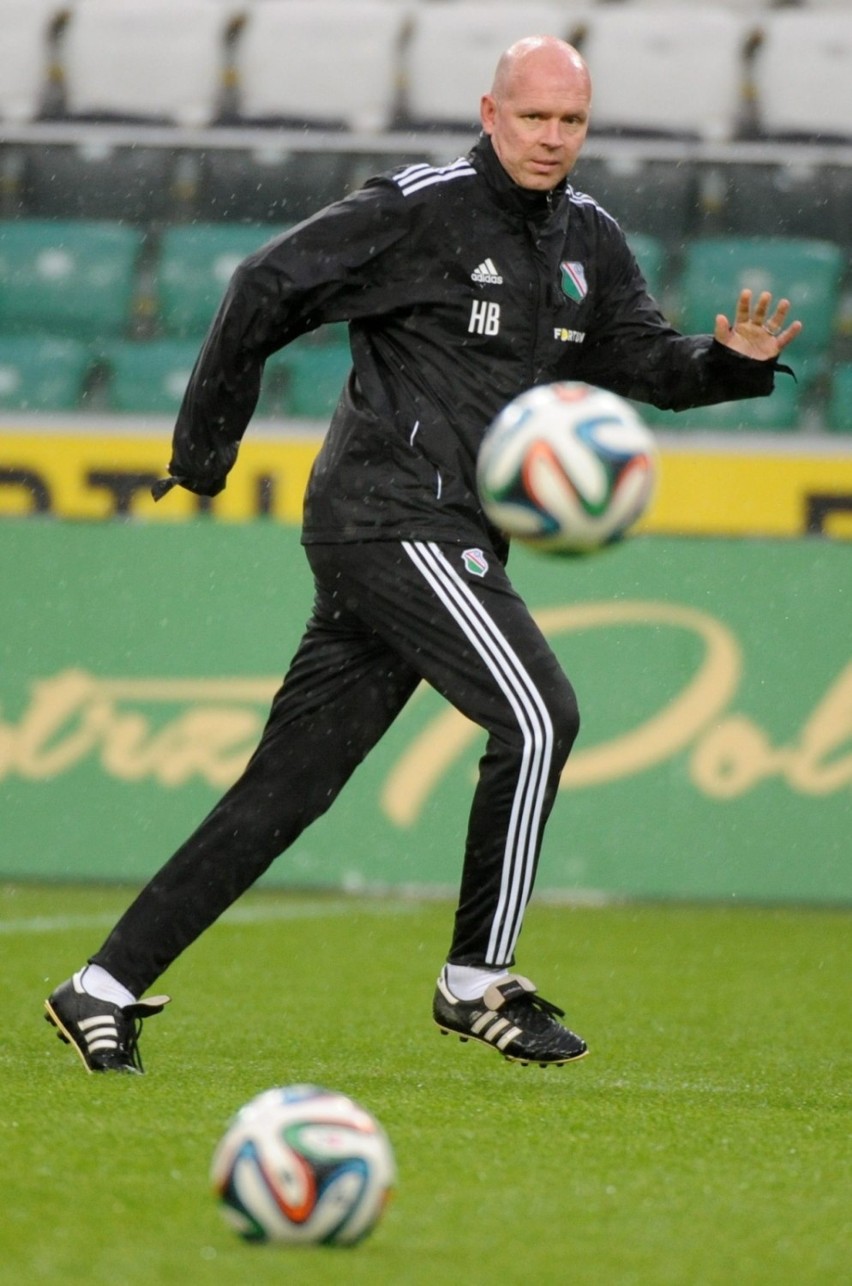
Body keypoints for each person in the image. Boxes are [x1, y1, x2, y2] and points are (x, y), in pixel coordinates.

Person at [44, 36, 801, 1074]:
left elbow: (645, 362)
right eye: (533, 117)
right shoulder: (418, 209)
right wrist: (204, 453)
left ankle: (102, 983)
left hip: (440, 534)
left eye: (571, 121)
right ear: (490, 112)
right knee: (540, 716)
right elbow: (264, 284)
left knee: (287, 788)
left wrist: (729, 365)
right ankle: (477, 979)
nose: (552, 138)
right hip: (391, 515)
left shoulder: (590, 237)